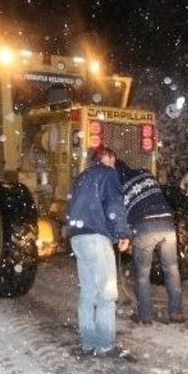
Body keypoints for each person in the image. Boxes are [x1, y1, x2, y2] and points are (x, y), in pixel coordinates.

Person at [67, 146, 131, 357]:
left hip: (78, 238)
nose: (115, 164)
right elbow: (113, 204)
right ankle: (105, 344)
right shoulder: (107, 173)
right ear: (108, 158)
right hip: (96, 238)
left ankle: (88, 343)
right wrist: (122, 233)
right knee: (107, 294)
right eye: (113, 160)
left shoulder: (82, 177)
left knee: (87, 293)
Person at [114, 160, 185, 324]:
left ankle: (145, 315)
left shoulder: (120, 187)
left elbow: (122, 215)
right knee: (172, 269)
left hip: (145, 226)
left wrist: (125, 236)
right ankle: (176, 312)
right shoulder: (145, 173)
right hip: (167, 222)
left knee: (142, 273)